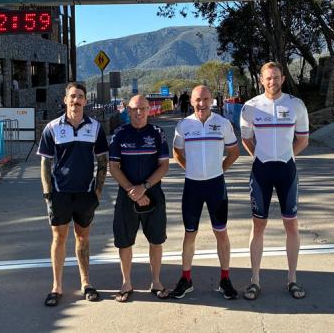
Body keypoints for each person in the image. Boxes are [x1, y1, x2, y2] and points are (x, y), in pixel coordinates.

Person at [239, 62, 309, 300]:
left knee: (291, 225)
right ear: (261, 80)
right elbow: (246, 139)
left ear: (283, 79)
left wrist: (287, 157)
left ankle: (292, 279)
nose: (272, 81)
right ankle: (255, 280)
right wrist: (260, 157)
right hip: (261, 171)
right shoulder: (250, 107)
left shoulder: (296, 105)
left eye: (276, 77)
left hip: (287, 170)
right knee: (258, 225)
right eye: (268, 78)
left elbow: (303, 140)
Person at [37, 82, 109, 307]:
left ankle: (86, 283)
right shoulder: (52, 128)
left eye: (79, 97)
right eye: (72, 96)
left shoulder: (95, 128)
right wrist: (47, 194)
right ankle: (56, 287)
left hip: (85, 194)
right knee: (59, 238)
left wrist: (97, 192)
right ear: (65, 100)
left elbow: (103, 161)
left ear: (85, 101)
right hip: (60, 194)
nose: (75, 100)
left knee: (83, 238)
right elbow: (45, 163)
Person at [169, 85, 240, 299]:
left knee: (221, 232)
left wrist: (219, 170)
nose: (202, 104)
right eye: (198, 100)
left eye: (206, 99)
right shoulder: (183, 125)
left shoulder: (223, 123)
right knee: (189, 233)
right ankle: (186, 278)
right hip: (193, 186)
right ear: (191, 101)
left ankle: (225, 279)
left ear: (212, 100)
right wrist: (190, 169)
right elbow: (177, 151)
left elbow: (234, 152)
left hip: (215, 186)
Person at [109, 95, 171, 302]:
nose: (139, 112)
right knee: (124, 241)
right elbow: (113, 167)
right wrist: (131, 190)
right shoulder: (119, 134)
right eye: (135, 109)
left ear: (149, 110)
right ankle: (126, 282)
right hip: (126, 194)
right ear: (128, 110)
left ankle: (156, 281)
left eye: (143, 108)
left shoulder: (157, 133)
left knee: (156, 240)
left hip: (152, 192)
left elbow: (164, 166)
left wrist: (143, 188)